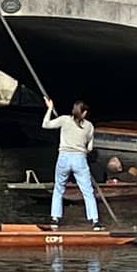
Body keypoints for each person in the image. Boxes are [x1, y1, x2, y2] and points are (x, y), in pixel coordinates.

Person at [42, 97, 102, 230]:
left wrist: (50, 109)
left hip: (64, 157)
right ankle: (95, 221)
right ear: (84, 113)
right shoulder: (89, 126)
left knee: (59, 189)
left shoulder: (64, 120)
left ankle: (55, 219)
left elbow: (45, 124)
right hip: (79, 159)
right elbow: (90, 148)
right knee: (88, 191)